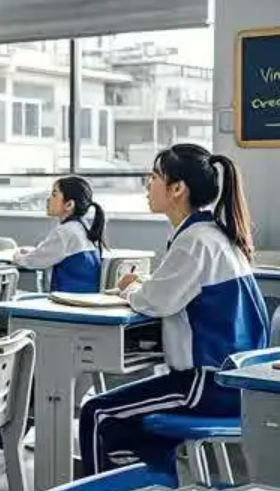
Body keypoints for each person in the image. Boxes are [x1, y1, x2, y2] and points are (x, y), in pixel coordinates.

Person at [80, 144, 268, 476]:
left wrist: (130, 288)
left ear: (177, 188)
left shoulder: (194, 241)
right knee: (130, 429)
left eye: (154, 177)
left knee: (97, 414)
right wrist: (145, 287)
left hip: (206, 386)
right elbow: (171, 292)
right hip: (231, 384)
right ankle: (154, 478)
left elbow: (154, 301)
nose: (147, 185)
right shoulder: (214, 235)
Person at [15, 176, 107, 293]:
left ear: (69, 204)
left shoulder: (65, 231)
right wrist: (33, 252)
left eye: (54, 195)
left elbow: (34, 261)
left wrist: (16, 256)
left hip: (68, 300)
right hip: (86, 298)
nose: (48, 199)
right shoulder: (82, 227)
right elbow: (49, 253)